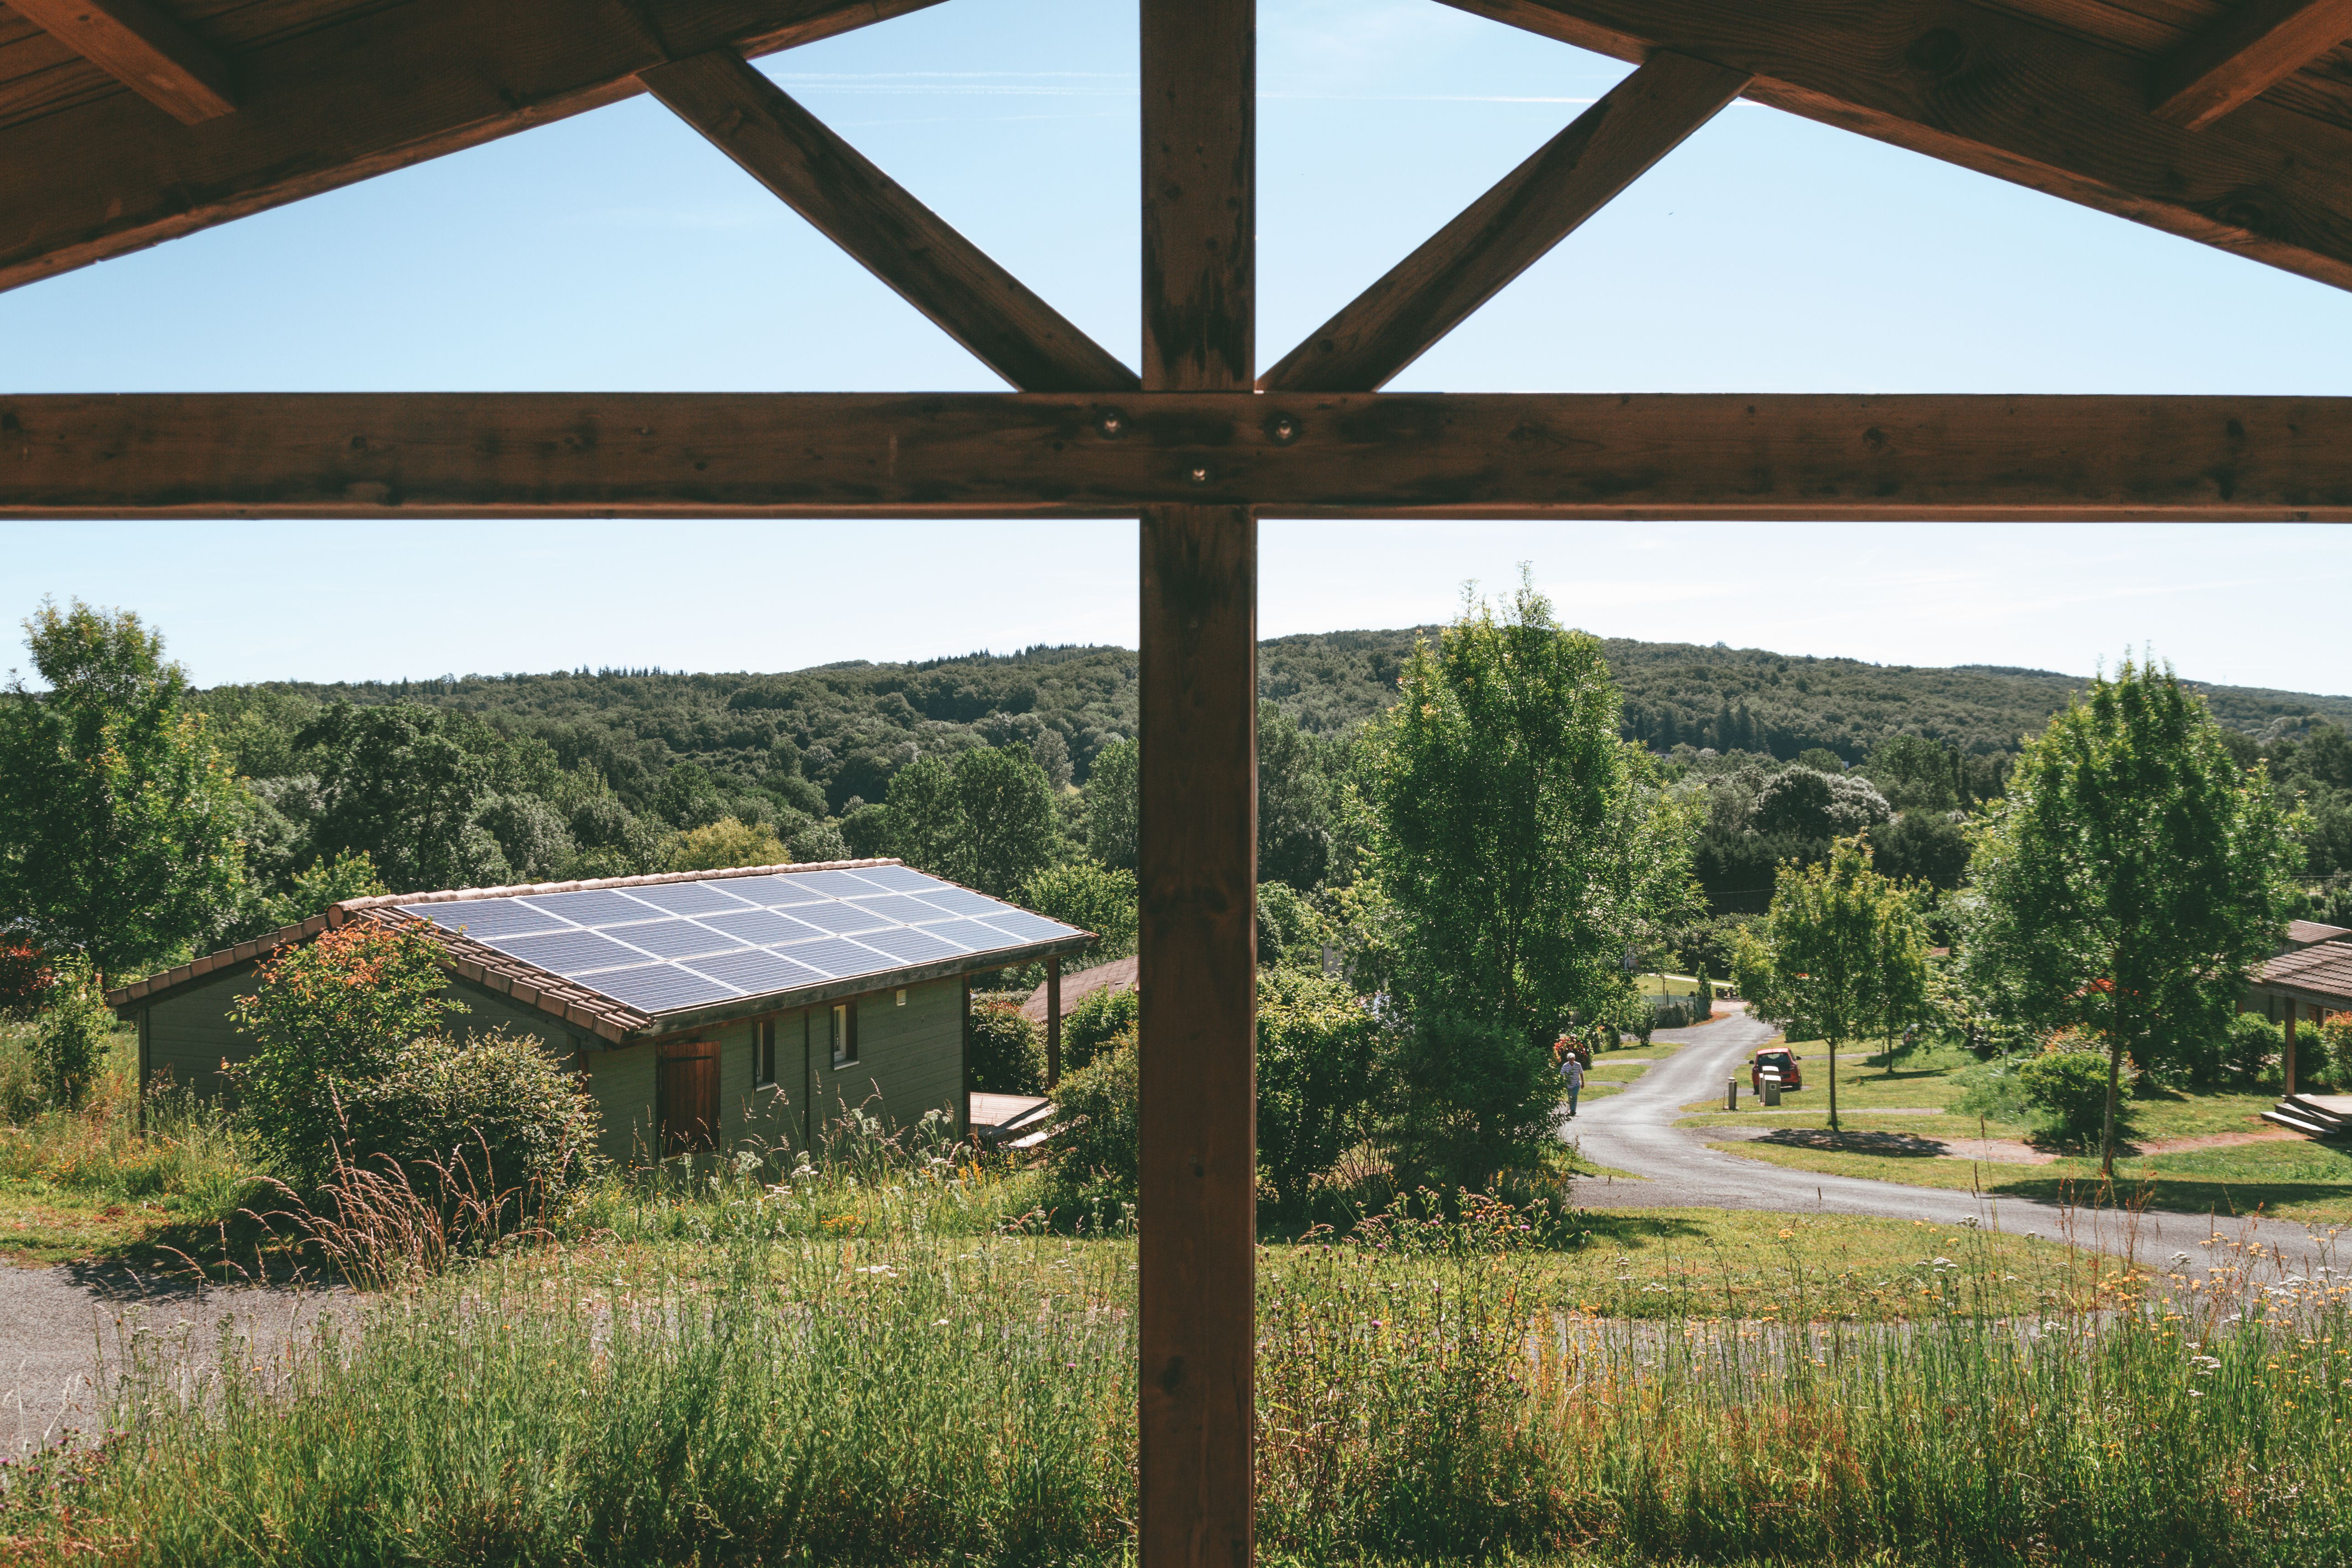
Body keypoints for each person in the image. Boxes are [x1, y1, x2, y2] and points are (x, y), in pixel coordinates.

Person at [1559, 1048, 1585, 1119]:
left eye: (1572, 1059)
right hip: (1569, 1084)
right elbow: (1562, 1075)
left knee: (1574, 1095)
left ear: (1574, 1059)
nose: (1571, 1060)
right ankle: (1572, 1110)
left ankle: (1573, 1110)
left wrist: (1583, 1083)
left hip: (1577, 1083)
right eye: (1570, 1059)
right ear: (1568, 1059)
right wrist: (1562, 1083)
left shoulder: (1578, 1065)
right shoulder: (1565, 1066)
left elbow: (1581, 1074)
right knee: (1571, 1097)